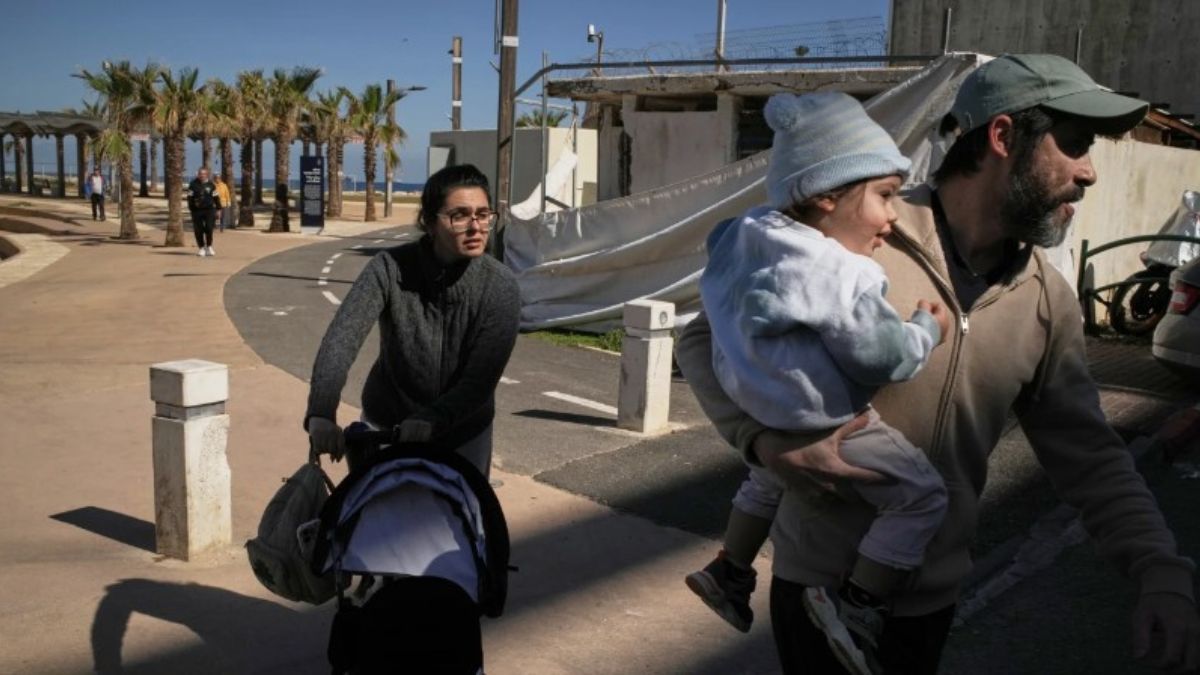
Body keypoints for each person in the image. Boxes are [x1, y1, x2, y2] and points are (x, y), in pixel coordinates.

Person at [676, 53, 1200, 675]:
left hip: (929, 604)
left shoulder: (1046, 299)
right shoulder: (852, 233)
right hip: (813, 587)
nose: (1089, 173)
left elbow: (1089, 454)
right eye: (1076, 144)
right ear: (1003, 137)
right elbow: (702, 339)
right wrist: (759, 441)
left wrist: (1159, 570)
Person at [685, 92, 952, 673]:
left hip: (763, 415)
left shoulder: (742, 235)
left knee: (766, 482)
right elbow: (883, 361)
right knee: (922, 497)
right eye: (884, 195)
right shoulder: (843, 271)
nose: (894, 215)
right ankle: (857, 603)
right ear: (826, 195)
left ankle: (729, 569)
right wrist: (925, 329)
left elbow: (703, 319)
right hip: (830, 421)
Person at [305, 163, 521, 673]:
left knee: (453, 548)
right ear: (428, 220)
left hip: (463, 432)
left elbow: (479, 379)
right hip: (387, 420)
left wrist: (436, 419)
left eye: (484, 214)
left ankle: (448, 642)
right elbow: (341, 339)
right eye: (460, 215)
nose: (476, 226)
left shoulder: (500, 287)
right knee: (379, 541)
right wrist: (320, 411)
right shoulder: (388, 269)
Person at [187, 167, 220, 256]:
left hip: (209, 210)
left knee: (209, 228)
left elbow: (216, 198)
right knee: (198, 230)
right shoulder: (193, 185)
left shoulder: (211, 185)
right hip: (197, 211)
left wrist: (218, 209)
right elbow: (189, 198)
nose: (202, 176)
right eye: (200, 174)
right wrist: (191, 209)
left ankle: (209, 246)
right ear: (198, 175)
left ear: (207, 175)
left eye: (204, 174)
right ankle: (201, 248)